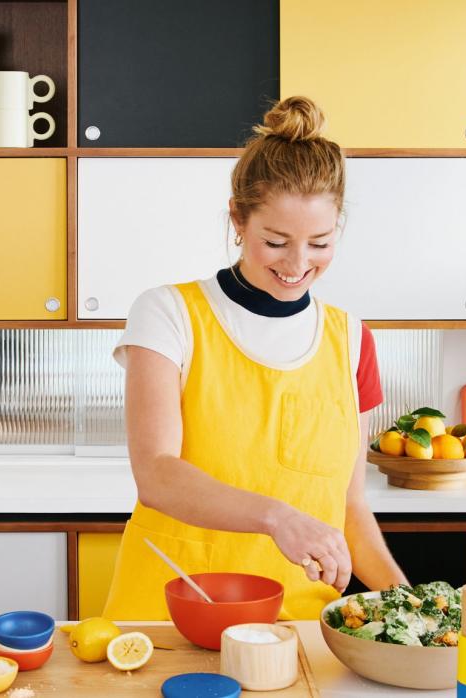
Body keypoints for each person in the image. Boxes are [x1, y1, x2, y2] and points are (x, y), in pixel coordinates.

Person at [102, 96, 407, 621]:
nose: (297, 264)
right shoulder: (169, 314)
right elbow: (156, 473)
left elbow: (350, 509)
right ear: (238, 220)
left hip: (298, 624)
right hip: (169, 617)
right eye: (276, 241)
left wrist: (413, 604)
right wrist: (277, 518)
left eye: (320, 243)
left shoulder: (351, 339)